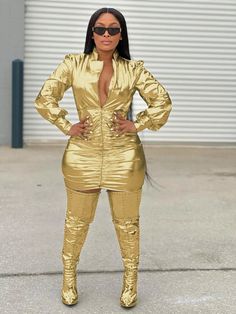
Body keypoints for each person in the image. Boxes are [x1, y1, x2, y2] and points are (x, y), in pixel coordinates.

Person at [34, 7, 172, 308]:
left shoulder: (133, 69)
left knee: (127, 223)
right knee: (76, 222)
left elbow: (162, 100)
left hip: (124, 155)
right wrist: (65, 124)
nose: (106, 35)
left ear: (121, 34)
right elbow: (45, 97)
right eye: (100, 29)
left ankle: (130, 284)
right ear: (92, 33)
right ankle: (68, 279)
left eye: (113, 29)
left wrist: (138, 124)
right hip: (82, 153)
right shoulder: (74, 63)